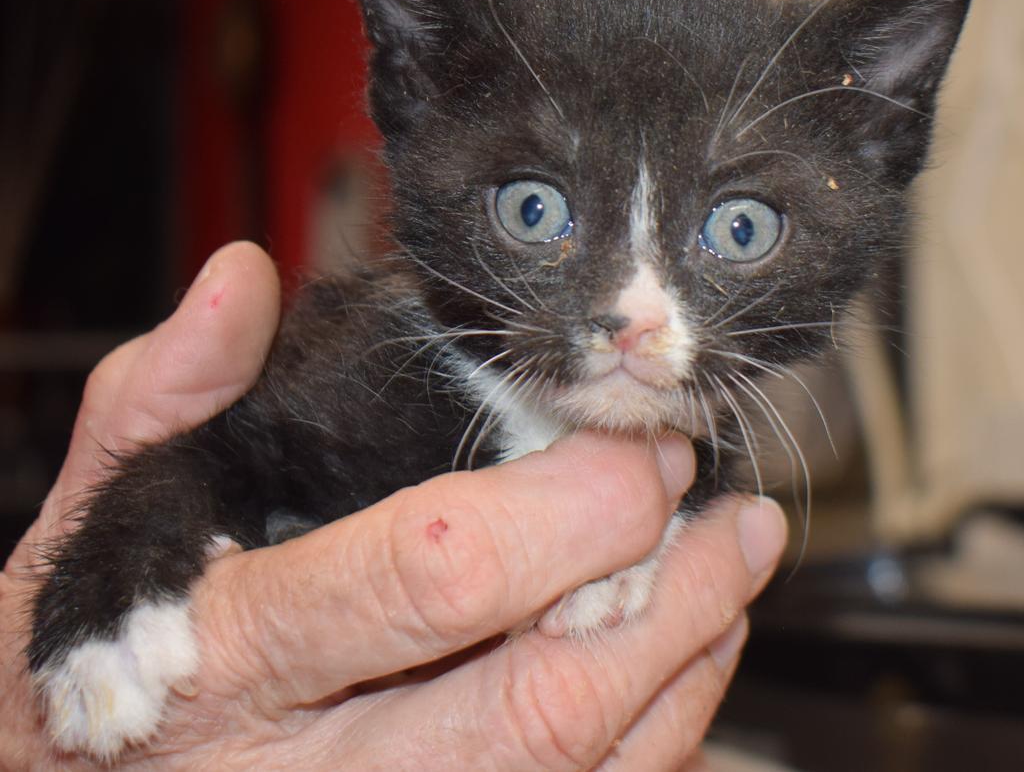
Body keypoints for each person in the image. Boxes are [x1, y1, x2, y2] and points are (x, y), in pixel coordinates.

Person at [1, 242, 787, 770]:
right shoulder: (372, 377)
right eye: (537, 216)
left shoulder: (689, 451)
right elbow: (229, 459)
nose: (632, 316)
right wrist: (124, 550)